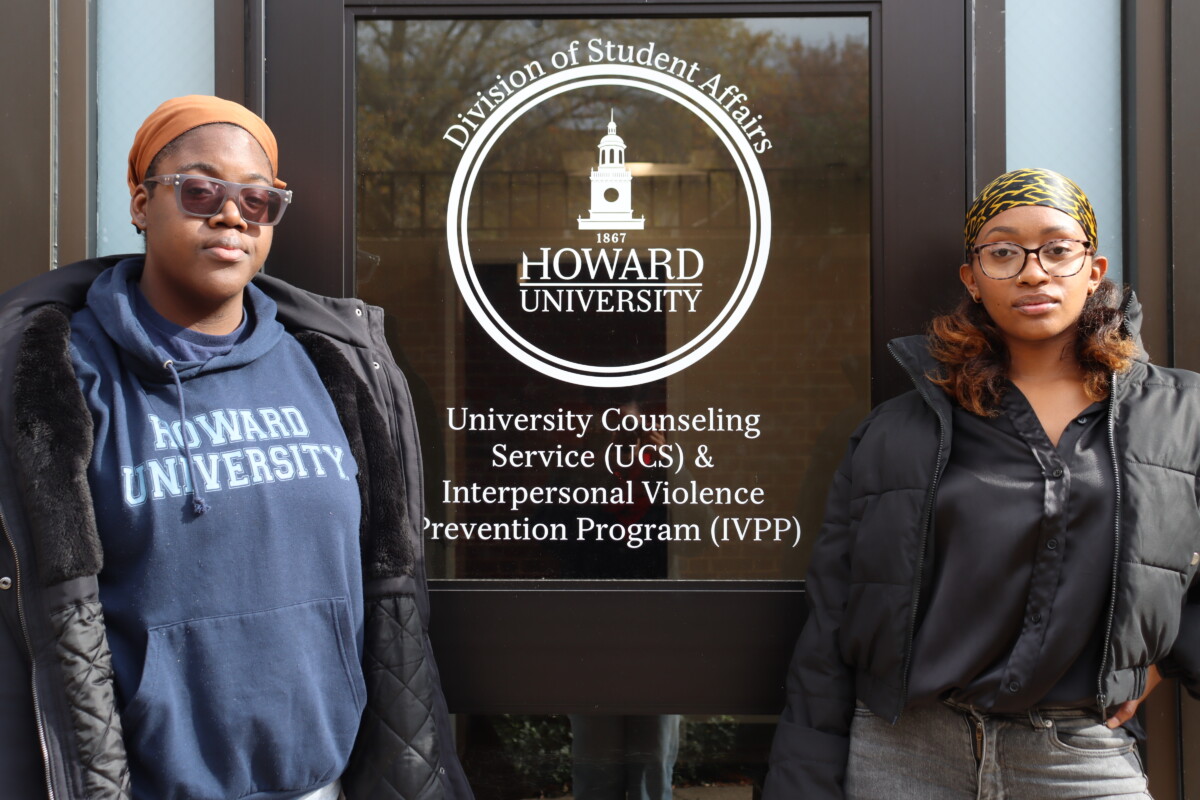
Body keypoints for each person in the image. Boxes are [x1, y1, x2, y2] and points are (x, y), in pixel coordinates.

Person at [0, 96, 473, 800]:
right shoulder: (60, 375)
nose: (231, 214)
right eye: (200, 190)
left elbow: (388, 601)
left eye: (258, 199)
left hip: (325, 786)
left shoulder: (337, 367)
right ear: (140, 203)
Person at [762, 168, 1200, 799]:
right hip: (904, 753)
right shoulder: (898, 429)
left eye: (1057, 249)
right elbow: (833, 619)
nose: (1032, 271)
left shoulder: (1181, 413)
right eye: (1003, 252)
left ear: (1093, 268)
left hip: (1076, 752)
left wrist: (1152, 665)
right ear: (972, 277)